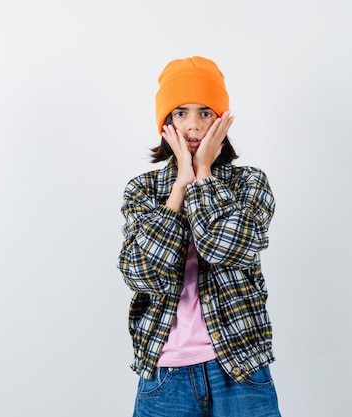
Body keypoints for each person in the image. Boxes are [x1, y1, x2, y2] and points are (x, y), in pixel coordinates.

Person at [118, 56, 281, 417]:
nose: (193, 126)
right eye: (180, 113)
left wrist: (204, 173)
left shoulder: (248, 183)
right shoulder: (142, 191)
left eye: (205, 112)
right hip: (165, 373)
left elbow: (224, 248)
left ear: (222, 119)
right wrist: (179, 187)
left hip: (240, 366)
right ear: (165, 122)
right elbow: (141, 273)